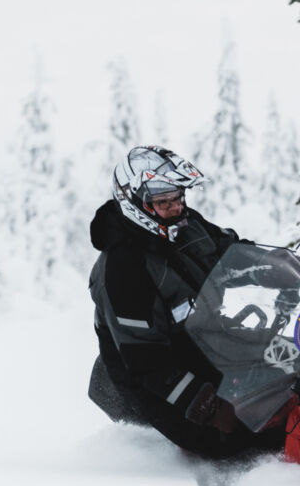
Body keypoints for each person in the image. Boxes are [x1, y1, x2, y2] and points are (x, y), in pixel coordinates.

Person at [87, 145, 260, 459]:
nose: (176, 208)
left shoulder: (181, 226)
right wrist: (207, 406)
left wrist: (278, 265)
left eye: (179, 198)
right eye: (164, 202)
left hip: (202, 343)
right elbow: (147, 361)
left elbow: (228, 251)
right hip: (159, 387)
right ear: (136, 203)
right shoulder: (123, 268)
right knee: (250, 435)